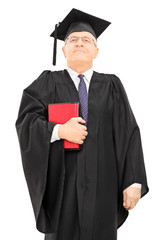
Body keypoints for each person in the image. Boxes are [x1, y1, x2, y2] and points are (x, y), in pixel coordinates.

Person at [15, 8, 149, 240]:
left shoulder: (112, 85)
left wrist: (134, 181)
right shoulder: (47, 82)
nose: (79, 43)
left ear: (96, 50)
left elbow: (129, 132)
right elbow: (26, 121)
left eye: (86, 39)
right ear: (64, 49)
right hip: (62, 183)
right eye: (72, 39)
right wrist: (59, 130)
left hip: (104, 184)